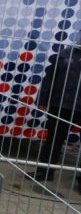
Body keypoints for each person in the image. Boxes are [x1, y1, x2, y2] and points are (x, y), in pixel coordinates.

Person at [30, 42, 81, 193]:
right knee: (54, 139)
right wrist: (43, 99)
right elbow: (50, 78)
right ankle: (45, 171)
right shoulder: (65, 54)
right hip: (62, 104)